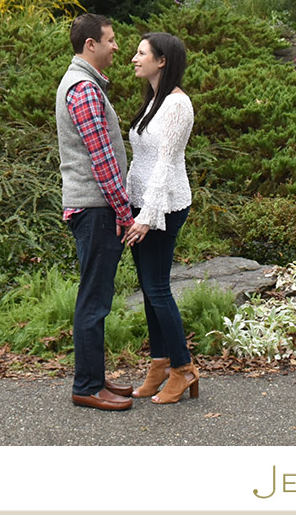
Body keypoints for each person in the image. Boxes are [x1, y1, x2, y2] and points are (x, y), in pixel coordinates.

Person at [56, 13, 139, 411]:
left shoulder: (83, 83)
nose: (116, 47)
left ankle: (94, 377)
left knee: (96, 296)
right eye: (111, 40)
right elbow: (102, 159)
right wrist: (124, 211)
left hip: (93, 208)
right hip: (96, 209)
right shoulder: (84, 88)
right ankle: (87, 386)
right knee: (94, 300)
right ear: (90, 44)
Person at [122, 31, 199, 403]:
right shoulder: (154, 100)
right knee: (149, 288)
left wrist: (147, 217)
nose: (134, 59)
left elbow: (166, 165)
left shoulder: (178, 105)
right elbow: (141, 162)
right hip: (140, 205)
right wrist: (127, 206)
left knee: (157, 288)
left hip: (164, 207)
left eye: (141, 53)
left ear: (162, 60)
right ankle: (159, 364)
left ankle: (183, 369)